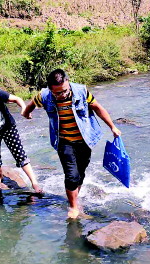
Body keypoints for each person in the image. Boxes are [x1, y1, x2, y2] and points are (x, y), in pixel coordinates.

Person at [22, 69, 121, 218]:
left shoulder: (81, 91)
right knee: (71, 175)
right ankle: (73, 206)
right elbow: (30, 104)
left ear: (68, 82)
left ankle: (75, 196)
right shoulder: (45, 96)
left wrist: (112, 126)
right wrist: (26, 113)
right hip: (64, 141)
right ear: (50, 89)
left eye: (64, 91)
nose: (62, 95)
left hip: (84, 139)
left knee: (80, 173)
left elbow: (97, 107)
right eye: (58, 93)